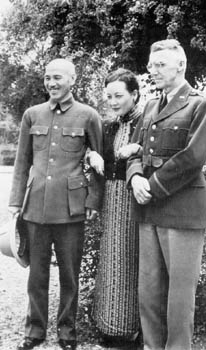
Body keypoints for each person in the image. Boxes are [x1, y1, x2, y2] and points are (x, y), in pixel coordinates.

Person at [127, 39, 206, 350]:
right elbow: (134, 150)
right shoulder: (150, 105)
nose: (154, 71)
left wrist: (151, 186)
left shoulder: (200, 104)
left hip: (183, 210)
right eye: (152, 66)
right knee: (148, 291)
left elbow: (193, 157)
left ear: (181, 66)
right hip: (148, 209)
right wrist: (135, 176)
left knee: (179, 296)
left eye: (161, 65)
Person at [8, 58, 103, 350]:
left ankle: (67, 332)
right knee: (36, 273)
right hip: (35, 205)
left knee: (69, 274)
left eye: (58, 77)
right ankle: (34, 330)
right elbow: (22, 161)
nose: (52, 83)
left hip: (71, 209)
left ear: (72, 79)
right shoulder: (32, 115)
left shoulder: (88, 115)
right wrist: (15, 203)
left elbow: (100, 161)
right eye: (48, 78)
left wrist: (93, 200)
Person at [89, 68, 142, 349]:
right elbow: (96, 153)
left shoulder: (147, 122)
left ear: (134, 94)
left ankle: (133, 330)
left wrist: (139, 149)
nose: (112, 101)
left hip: (135, 200)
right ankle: (110, 327)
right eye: (108, 96)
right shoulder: (109, 126)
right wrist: (92, 154)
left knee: (132, 261)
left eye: (118, 95)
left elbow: (158, 153)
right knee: (111, 261)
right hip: (111, 199)